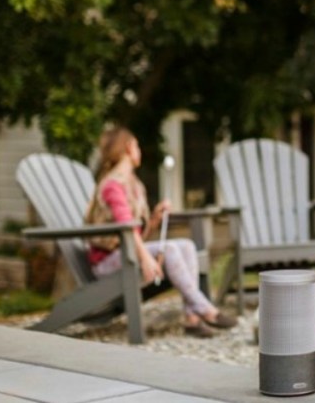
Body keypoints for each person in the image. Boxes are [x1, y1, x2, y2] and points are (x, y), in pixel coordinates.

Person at [85, 126, 237, 338]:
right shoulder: (112, 185)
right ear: (129, 147)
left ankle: (191, 318)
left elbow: (134, 235)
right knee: (172, 249)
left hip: (125, 254)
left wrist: (154, 220)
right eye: (137, 145)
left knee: (186, 245)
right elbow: (126, 229)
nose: (139, 150)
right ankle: (205, 309)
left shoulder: (134, 185)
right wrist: (146, 258)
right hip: (106, 262)